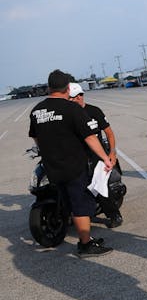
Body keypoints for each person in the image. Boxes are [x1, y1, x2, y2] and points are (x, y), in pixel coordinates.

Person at [29, 70, 113, 257]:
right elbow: (90, 137)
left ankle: (83, 237)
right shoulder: (72, 108)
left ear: (49, 87)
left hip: (51, 166)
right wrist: (105, 157)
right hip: (73, 165)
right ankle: (85, 244)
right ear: (67, 88)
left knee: (67, 200)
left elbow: (35, 136)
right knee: (80, 204)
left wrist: (46, 150)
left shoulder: (37, 110)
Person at [68, 83, 124, 228]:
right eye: (73, 97)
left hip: (97, 156)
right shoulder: (68, 115)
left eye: (79, 95)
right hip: (76, 157)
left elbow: (109, 134)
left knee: (99, 185)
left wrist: (112, 152)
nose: (77, 98)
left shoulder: (94, 111)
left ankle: (114, 214)